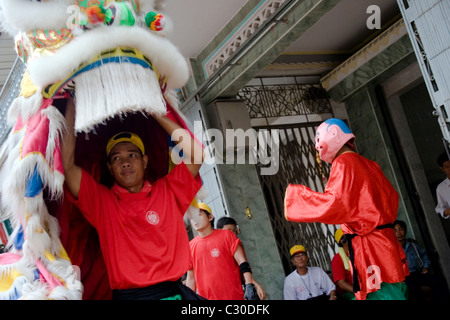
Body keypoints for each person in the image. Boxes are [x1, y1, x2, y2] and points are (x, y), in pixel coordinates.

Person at [61, 98, 204, 300]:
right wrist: (72, 104)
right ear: (110, 168)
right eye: (117, 158)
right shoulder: (103, 202)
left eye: (132, 155)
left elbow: (197, 154)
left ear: (145, 161)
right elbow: (67, 166)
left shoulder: (168, 190)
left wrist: (153, 110)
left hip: (172, 294)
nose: (125, 163)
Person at [284, 118, 409, 300]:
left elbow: (336, 204)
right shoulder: (370, 164)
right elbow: (391, 198)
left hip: (370, 245)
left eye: (318, 140)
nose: (318, 147)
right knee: (394, 290)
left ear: (333, 134)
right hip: (386, 241)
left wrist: (297, 198)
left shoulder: (343, 163)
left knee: (381, 295)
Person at [186, 203, 263, 300]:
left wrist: (249, 285)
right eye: (192, 217)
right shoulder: (190, 246)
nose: (195, 220)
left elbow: (242, 262)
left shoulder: (227, 235)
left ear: (210, 217)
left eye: (199, 215)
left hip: (233, 296)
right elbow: (191, 278)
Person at [394, 220, 448, 300]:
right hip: (403, 278)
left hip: (416, 274)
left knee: (438, 279)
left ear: (405, 230)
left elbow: (424, 255)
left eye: (401, 229)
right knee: (414, 290)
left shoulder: (413, 245)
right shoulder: (391, 249)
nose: (398, 233)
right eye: (395, 230)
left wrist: (426, 267)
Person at [216, 216, 267, 300]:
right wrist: (256, 285)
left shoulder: (237, 244)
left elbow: (243, 268)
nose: (232, 233)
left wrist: (253, 284)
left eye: (234, 230)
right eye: (228, 231)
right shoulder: (220, 248)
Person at [331, 228, 354, 300]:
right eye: (347, 236)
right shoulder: (337, 259)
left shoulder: (361, 251)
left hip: (370, 286)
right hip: (352, 292)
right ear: (341, 241)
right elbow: (342, 284)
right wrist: (360, 291)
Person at [435, 151, 450, 219]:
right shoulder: (441, 188)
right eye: (447, 167)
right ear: (442, 169)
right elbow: (440, 209)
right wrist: (447, 211)